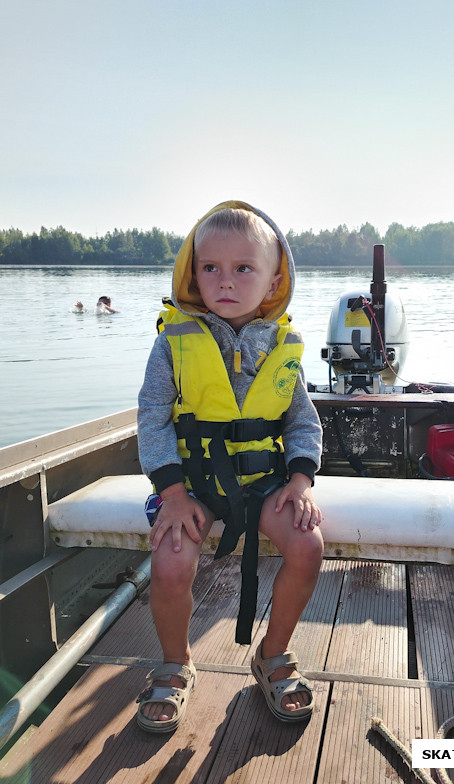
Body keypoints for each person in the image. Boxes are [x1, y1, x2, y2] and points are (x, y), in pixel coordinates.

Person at [136, 200, 324, 733]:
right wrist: (172, 493)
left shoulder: (285, 346)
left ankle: (273, 654)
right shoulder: (172, 341)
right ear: (193, 275)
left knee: (308, 545)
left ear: (271, 283)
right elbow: (152, 418)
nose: (225, 280)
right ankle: (176, 663)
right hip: (190, 487)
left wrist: (299, 479)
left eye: (244, 267)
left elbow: (303, 423)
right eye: (210, 267)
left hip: (266, 483)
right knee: (171, 562)